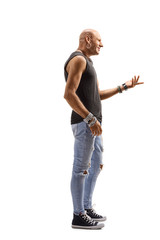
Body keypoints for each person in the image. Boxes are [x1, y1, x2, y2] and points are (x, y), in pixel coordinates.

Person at [64, 29, 143, 229]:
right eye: (99, 40)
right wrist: (90, 119)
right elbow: (69, 94)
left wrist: (122, 87)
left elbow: (97, 94)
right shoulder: (78, 60)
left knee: (97, 164)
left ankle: (87, 207)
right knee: (81, 169)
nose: (102, 44)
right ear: (88, 39)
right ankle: (78, 215)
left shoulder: (88, 62)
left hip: (94, 125)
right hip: (85, 123)